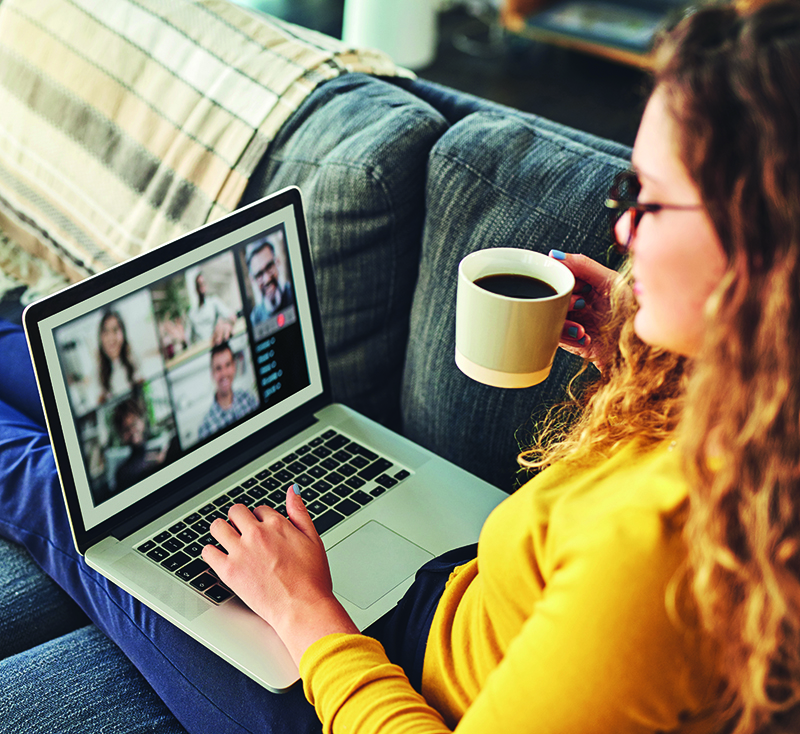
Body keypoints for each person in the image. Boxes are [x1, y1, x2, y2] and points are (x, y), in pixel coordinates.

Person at [0, 2, 798, 732]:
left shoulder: (664, 559)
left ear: (766, 246)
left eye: (652, 200)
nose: (623, 232)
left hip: (362, 698)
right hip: (445, 609)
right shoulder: (749, 400)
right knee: (58, 384)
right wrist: (632, 346)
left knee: (65, 498)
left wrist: (306, 611)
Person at [111, 397, 178, 492]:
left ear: (142, 422)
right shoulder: (123, 473)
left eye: (134, 424)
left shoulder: (158, 451)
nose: (132, 431)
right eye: (125, 429)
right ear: (121, 435)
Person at [196, 342, 259, 440]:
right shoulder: (206, 427)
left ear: (234, 367)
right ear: (212, 373)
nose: (224, 373)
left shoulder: (249, 399)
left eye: (228, 365)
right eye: (218, 368)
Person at [246, 236, 293, 327]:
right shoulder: (255, 319)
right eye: (259, 275)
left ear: (277, 262)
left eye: (269, 267)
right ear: (252, 279)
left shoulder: (295, 294)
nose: (267, 279)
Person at [97, 310, 141, 403]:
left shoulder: (136, 363)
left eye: (115, 330)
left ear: (123, 333)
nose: (111, 338)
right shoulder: (98, 375)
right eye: (106, 332)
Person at [185, 273, 235, 346]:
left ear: (206, 286)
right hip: (201, 350)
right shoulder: (192, 313)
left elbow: (231, 316)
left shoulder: (214, 302)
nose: (201, 288)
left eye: (203, 284)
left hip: (216, 345)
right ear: (196, 289)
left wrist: (226, 325)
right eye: (199, 285)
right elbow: (189, 338)